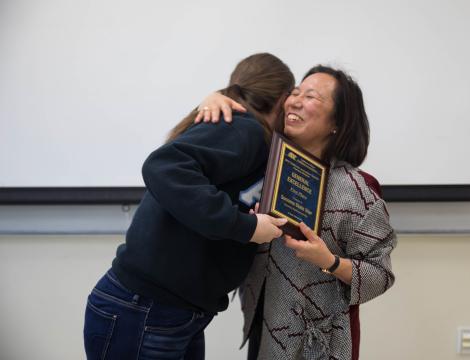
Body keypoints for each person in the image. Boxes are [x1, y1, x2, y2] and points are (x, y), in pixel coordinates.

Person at [82, 53, 296, 360]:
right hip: (147, 309)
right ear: (282, 99)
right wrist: (246, 227)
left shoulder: (252, 136)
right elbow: (163, 166)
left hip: (168, 311)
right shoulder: (244, 129)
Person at [197, 65, 397, 360]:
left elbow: (380, 275)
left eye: (312, 96)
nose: (294, 101)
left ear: (338, 122)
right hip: (262, 331)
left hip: (319, 345)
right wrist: (215, 97)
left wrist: (328, 261)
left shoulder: (358, 190)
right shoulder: (263, 166)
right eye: (294, 93)